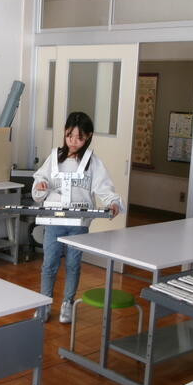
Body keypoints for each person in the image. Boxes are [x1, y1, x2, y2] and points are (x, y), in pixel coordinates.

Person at [32, 112, 124, 323]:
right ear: (65, 133)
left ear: (88, 136)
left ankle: (68, 303)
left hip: (78, 223)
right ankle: (45, 304)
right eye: (69, 136)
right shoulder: (54, 157)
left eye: (79, 138)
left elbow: (104, 187)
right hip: (54, 220)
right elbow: (39, 180)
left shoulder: (93, 162)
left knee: (73, 264)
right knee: (49, 263)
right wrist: (41, 185)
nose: (73, 142)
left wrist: (113, 202)